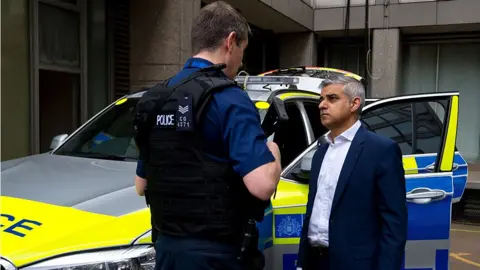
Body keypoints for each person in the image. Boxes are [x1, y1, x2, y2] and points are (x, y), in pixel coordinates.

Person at [133, 1, 282, 270]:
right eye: (242, 50)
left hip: (166, 250)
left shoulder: (154, 98)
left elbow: (140, 185)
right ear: (230, 41)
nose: (241, 60)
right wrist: (274, 153)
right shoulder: (230, 99)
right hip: (217, 254)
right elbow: (262, 186)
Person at [296, 75, 408, 270]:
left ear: (354, 103)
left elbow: (394, 223)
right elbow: (313, 212)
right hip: (316, 261)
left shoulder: (381, 150)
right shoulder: (320, 153)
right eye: (321, 99)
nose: (322, 105)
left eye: (332, 99)